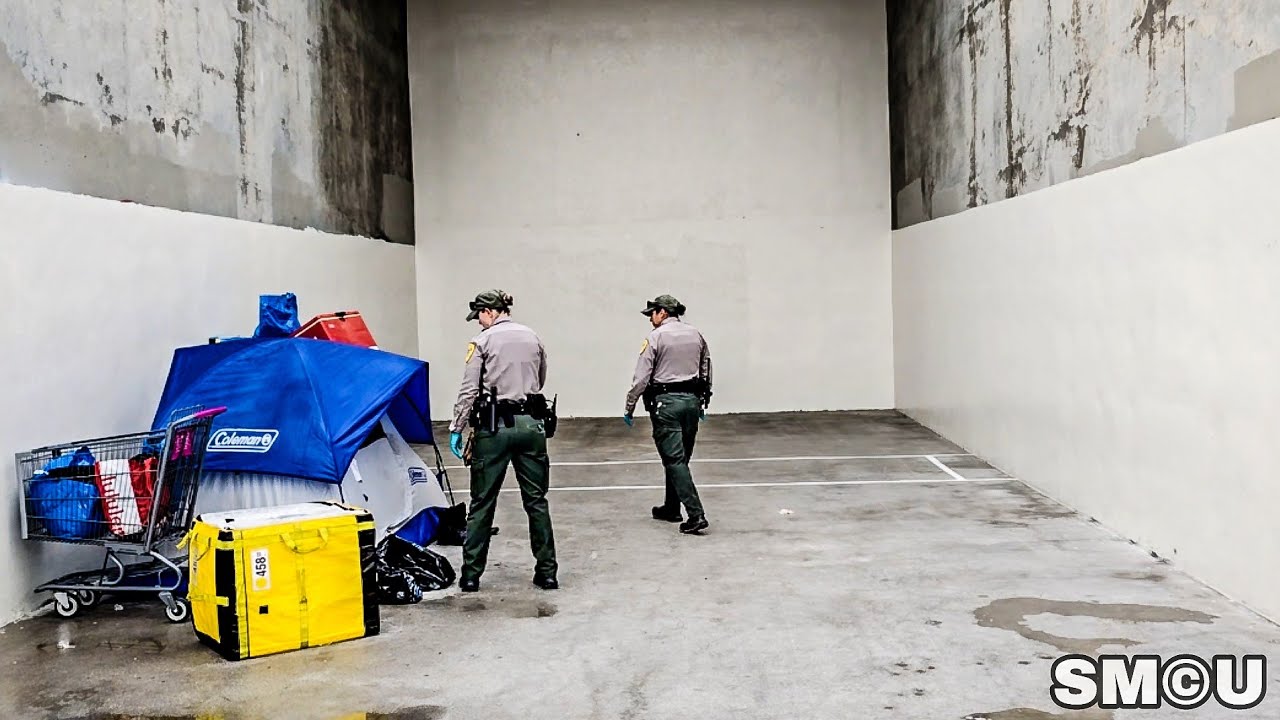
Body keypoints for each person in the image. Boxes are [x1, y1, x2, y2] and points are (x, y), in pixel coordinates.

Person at [448, 289, 558, 592]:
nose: (479, 323)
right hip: (531, 425)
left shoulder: (482, 342)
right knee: (536, 501)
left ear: (489, 311)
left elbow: (470, 389)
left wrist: (457, 426)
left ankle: (471, 576)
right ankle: (547, 572)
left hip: (494, 428)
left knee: (482, 502)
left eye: (479, 317)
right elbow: (542, 378)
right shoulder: (533, 337)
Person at [624, 294, 712, 535]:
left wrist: (629, 406)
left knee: (674, 460)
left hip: (667, 404)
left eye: (652, 313)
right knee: (680, 460)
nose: (650, 318)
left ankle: (696, 514)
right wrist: (703, 401)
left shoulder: (655, 337)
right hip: (692, 403)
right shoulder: (696, 334)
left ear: (662, 312)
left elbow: (642, 377)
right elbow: (705, 368)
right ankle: (672, 507)